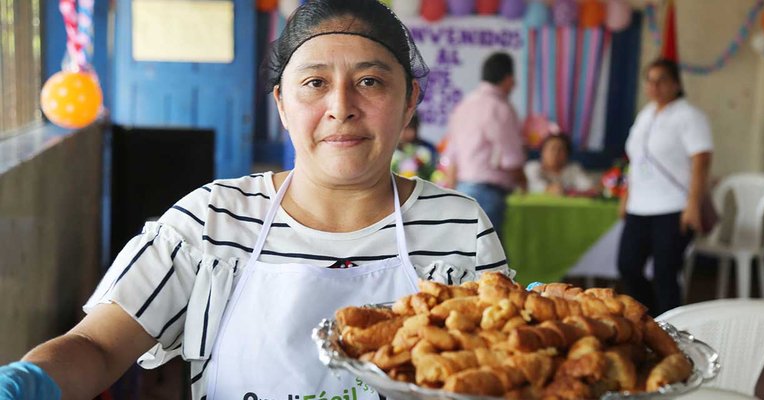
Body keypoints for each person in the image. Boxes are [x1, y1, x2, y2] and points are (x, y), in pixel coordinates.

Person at [0, 1, 514, 399]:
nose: (341, 107)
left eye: (370, 81)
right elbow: (98, 345)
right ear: (283, 105)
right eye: (314, 82)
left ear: (409, 103)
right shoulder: (212, 221)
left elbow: (498, 367)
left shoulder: (460, 225)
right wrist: (31, 380)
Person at [617, 58, 713, 316]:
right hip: (640, 206)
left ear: (676, 84)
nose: (655, 86)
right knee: (628, 265)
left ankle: (672, 328)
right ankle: (649, 319)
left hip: (673, 207)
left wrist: (693, 204)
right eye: (650, 80)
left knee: (665, 273)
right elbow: (635, 161)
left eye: (662, 80)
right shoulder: (645, 115)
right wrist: (626, 197)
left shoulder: (689, 116)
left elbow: (701, 161)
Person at [442, 52, 527, 237]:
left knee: (467, 254)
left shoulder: (464, 105)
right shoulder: (500, 108)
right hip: (489, 193)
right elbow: (511, 157)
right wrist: (523, 182)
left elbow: (451, 154)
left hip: (462, 190)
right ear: (508, 79)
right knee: (490, 259)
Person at [524, 133, 594, 195]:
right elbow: (534, 185)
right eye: (552, 149)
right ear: (542, 152)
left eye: (560, 150)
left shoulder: (574, 169)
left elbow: (588, 187)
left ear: (567, 154)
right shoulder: (532, 167)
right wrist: (549, 189)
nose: (556, 153)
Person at [391, 113, 438, 180]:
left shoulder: (427, 149)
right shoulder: (388, 151)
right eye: (401, 128)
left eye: (409, 128)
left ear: (417, 128)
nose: (404, 133)